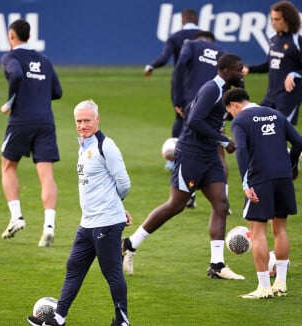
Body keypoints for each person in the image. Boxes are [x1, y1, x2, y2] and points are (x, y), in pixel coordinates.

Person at [122, 54, 246, 280]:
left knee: (221, 203)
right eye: (240, 69)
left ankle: (217, 265)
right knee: (176, 205)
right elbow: (193, 120)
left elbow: (190, 109)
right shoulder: (212, 89)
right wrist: (223, 140)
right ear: (226, 71)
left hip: (209, 156)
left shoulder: (225, 90)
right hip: (191, 155)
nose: (243, 71)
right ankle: (130, 244)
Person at [27, 99, 132, 326]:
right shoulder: (84, 146)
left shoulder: (106, 146)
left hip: (105, 223)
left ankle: (122, 321)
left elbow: (124, 182)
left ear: (97, 120)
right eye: (79, 121)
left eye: (87, 120)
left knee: (112, 273)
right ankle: (58, 317)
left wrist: (115, 206)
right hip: (87, 223)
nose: (83, 125)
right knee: (74, 267)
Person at [222, 88, 302, 299]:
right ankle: (281, 283)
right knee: (280, 230)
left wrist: (245, 182)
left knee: (257, 232)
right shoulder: (276, 114)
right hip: (283, 178)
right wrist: (290, 166)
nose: (231, 115)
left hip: (260, 179)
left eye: (229, 111)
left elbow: (240, 150)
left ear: (234, 105)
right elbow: (299, 142)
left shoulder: (240, 120)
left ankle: (264, 287)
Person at [0, 19, 63, 247]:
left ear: (11, 35)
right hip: (46, 121)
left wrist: (10, 102)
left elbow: (15, 75)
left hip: (21, 121)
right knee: (46, 175)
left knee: (8, 166)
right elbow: (57, 91)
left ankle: (16, 216)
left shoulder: (10, 57)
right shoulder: (44, 60)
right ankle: (49, 225)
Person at [242, 0, 302, 157]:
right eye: (272, 19)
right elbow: (270, 64)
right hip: (271, 95)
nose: (273, 23)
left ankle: (290, 164)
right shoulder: (274, 39)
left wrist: (294, 74)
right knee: (257, 124)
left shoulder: (297, 40)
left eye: (277, 19)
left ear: (287, 19)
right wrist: (249, 69)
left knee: (278, 132)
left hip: (288, 97)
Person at [173, 30, 229, 209]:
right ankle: (224, 200)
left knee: (190, 150)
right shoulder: (222, 52)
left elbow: (181, 64)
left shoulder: (190, 44)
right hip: (218, 107)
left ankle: (188, 194)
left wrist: (177, 98)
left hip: (193, 105)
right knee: (219, 152)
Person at [144, 8, 200, 171]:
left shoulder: (175, 37)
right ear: (196, 21)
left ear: (182, 21)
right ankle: (199, 157)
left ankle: (173, 159)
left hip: (181, 84)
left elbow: (164, 58)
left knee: (180, 117)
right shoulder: (205, 36)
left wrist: (150, 66)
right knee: (201, 118)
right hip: (202, 85)